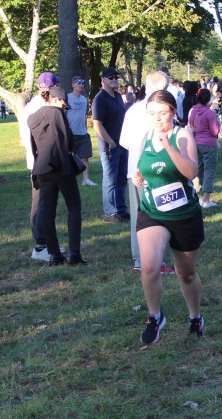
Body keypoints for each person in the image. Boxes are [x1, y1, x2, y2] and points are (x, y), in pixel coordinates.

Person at [131, 90, 205, 343]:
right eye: (152, 113)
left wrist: (169, 147)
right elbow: (145, 167)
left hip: (184, 215)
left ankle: (195, 317)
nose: (157, 118)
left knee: (185, 273)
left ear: (174, 112)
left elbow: (191, 172)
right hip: (152, 212)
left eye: (163, 113)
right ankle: (155, 316)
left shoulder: (182, 135)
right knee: (149, 266)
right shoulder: (145, 137)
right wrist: (140, 177)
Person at [119, 71, 175, 274]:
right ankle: (155, 261)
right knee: (158, 215)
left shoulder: (133, 110)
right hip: (155, 171)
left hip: (135, 169)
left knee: (139, 215)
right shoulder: (161, 111)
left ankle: (140, 260)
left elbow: (124, 141)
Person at [28, 84, 87, 266]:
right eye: (62, 103)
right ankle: (74, 254)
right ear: (54, 98)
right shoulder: (55, 113)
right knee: (74, 206)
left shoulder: (33, 117)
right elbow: (65, 140)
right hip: (60, 166)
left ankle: (54, 254)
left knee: (47, 210)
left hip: (42, 167)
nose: (63, 107)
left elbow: (34, 144)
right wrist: (68, 166)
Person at [18, 71, 60, 262]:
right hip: (41, 162)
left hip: (42, 161)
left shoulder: (34, 105)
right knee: (41, 203)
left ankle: (47, 243)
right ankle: (40, 246)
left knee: (46, 203)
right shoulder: (40, 107)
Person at [92, 67, 129, 223]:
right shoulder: (100, 99)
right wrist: (110, 141)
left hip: (122, 145)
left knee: (121, 179)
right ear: (103, 80)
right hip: (110, 147)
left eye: (116, 77)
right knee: (110, 180)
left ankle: (121, 210)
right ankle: (110, 213)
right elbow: (97, 124)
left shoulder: (118, 96)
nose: (114, 79)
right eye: (111, 77)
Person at [187, 88, 221, 208]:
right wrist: (217, 120)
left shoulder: (193, 110)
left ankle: (194, 193)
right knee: (209, 170)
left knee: (198, 169)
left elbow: (190, 125)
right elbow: (215, 131)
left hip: (196, 143)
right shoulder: (209, 113)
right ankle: (206, 199)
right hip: (209, 144)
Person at [66, 76, 97, 187]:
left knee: (85, 157)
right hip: (71, 134)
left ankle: (86, 179)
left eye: (83, 83)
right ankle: (69, 180)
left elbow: (84, 115)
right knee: (70, 158)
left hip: (83, 133)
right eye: (78, 83)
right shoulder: (67, 98)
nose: (81, 85)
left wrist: (85, 128)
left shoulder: (84, 99)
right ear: (73, 85)